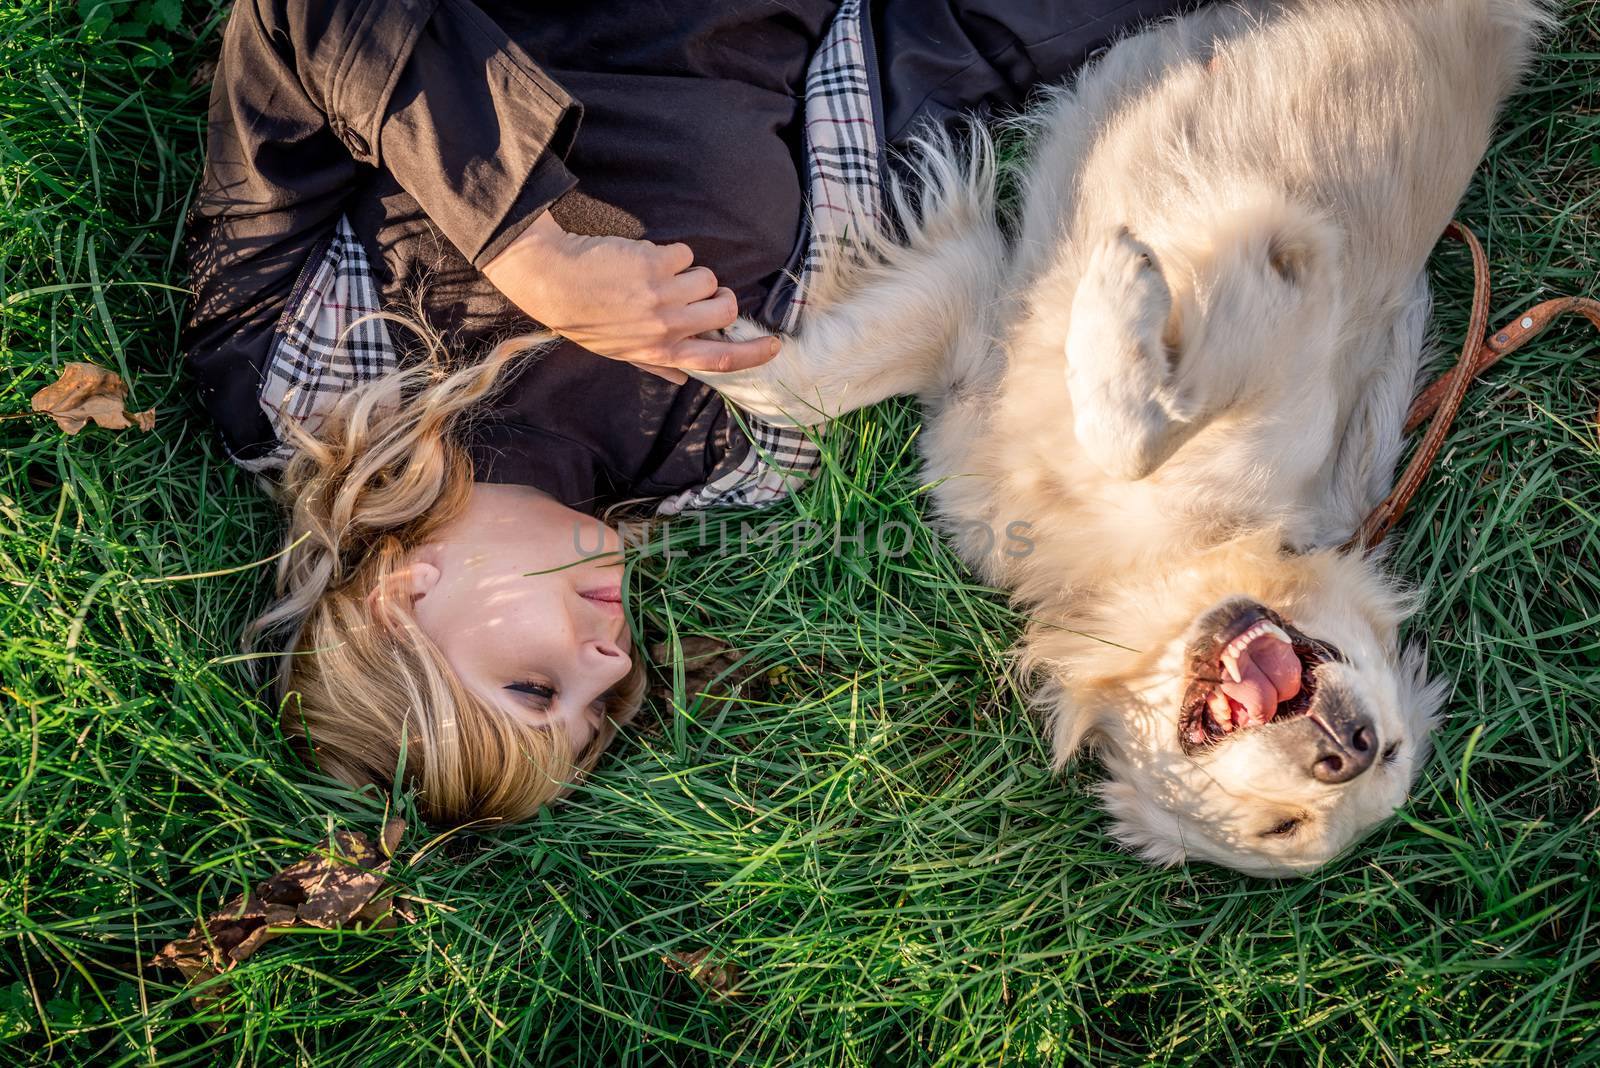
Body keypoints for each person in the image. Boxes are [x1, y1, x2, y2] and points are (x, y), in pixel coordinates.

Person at [184, 0, 1190, 827]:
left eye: (535, 688)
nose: (609, 665)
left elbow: (307, 24)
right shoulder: (726, 445)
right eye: (600, 708)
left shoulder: (292, 366)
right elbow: (906, 85)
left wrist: (533, 249)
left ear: (401, 600)